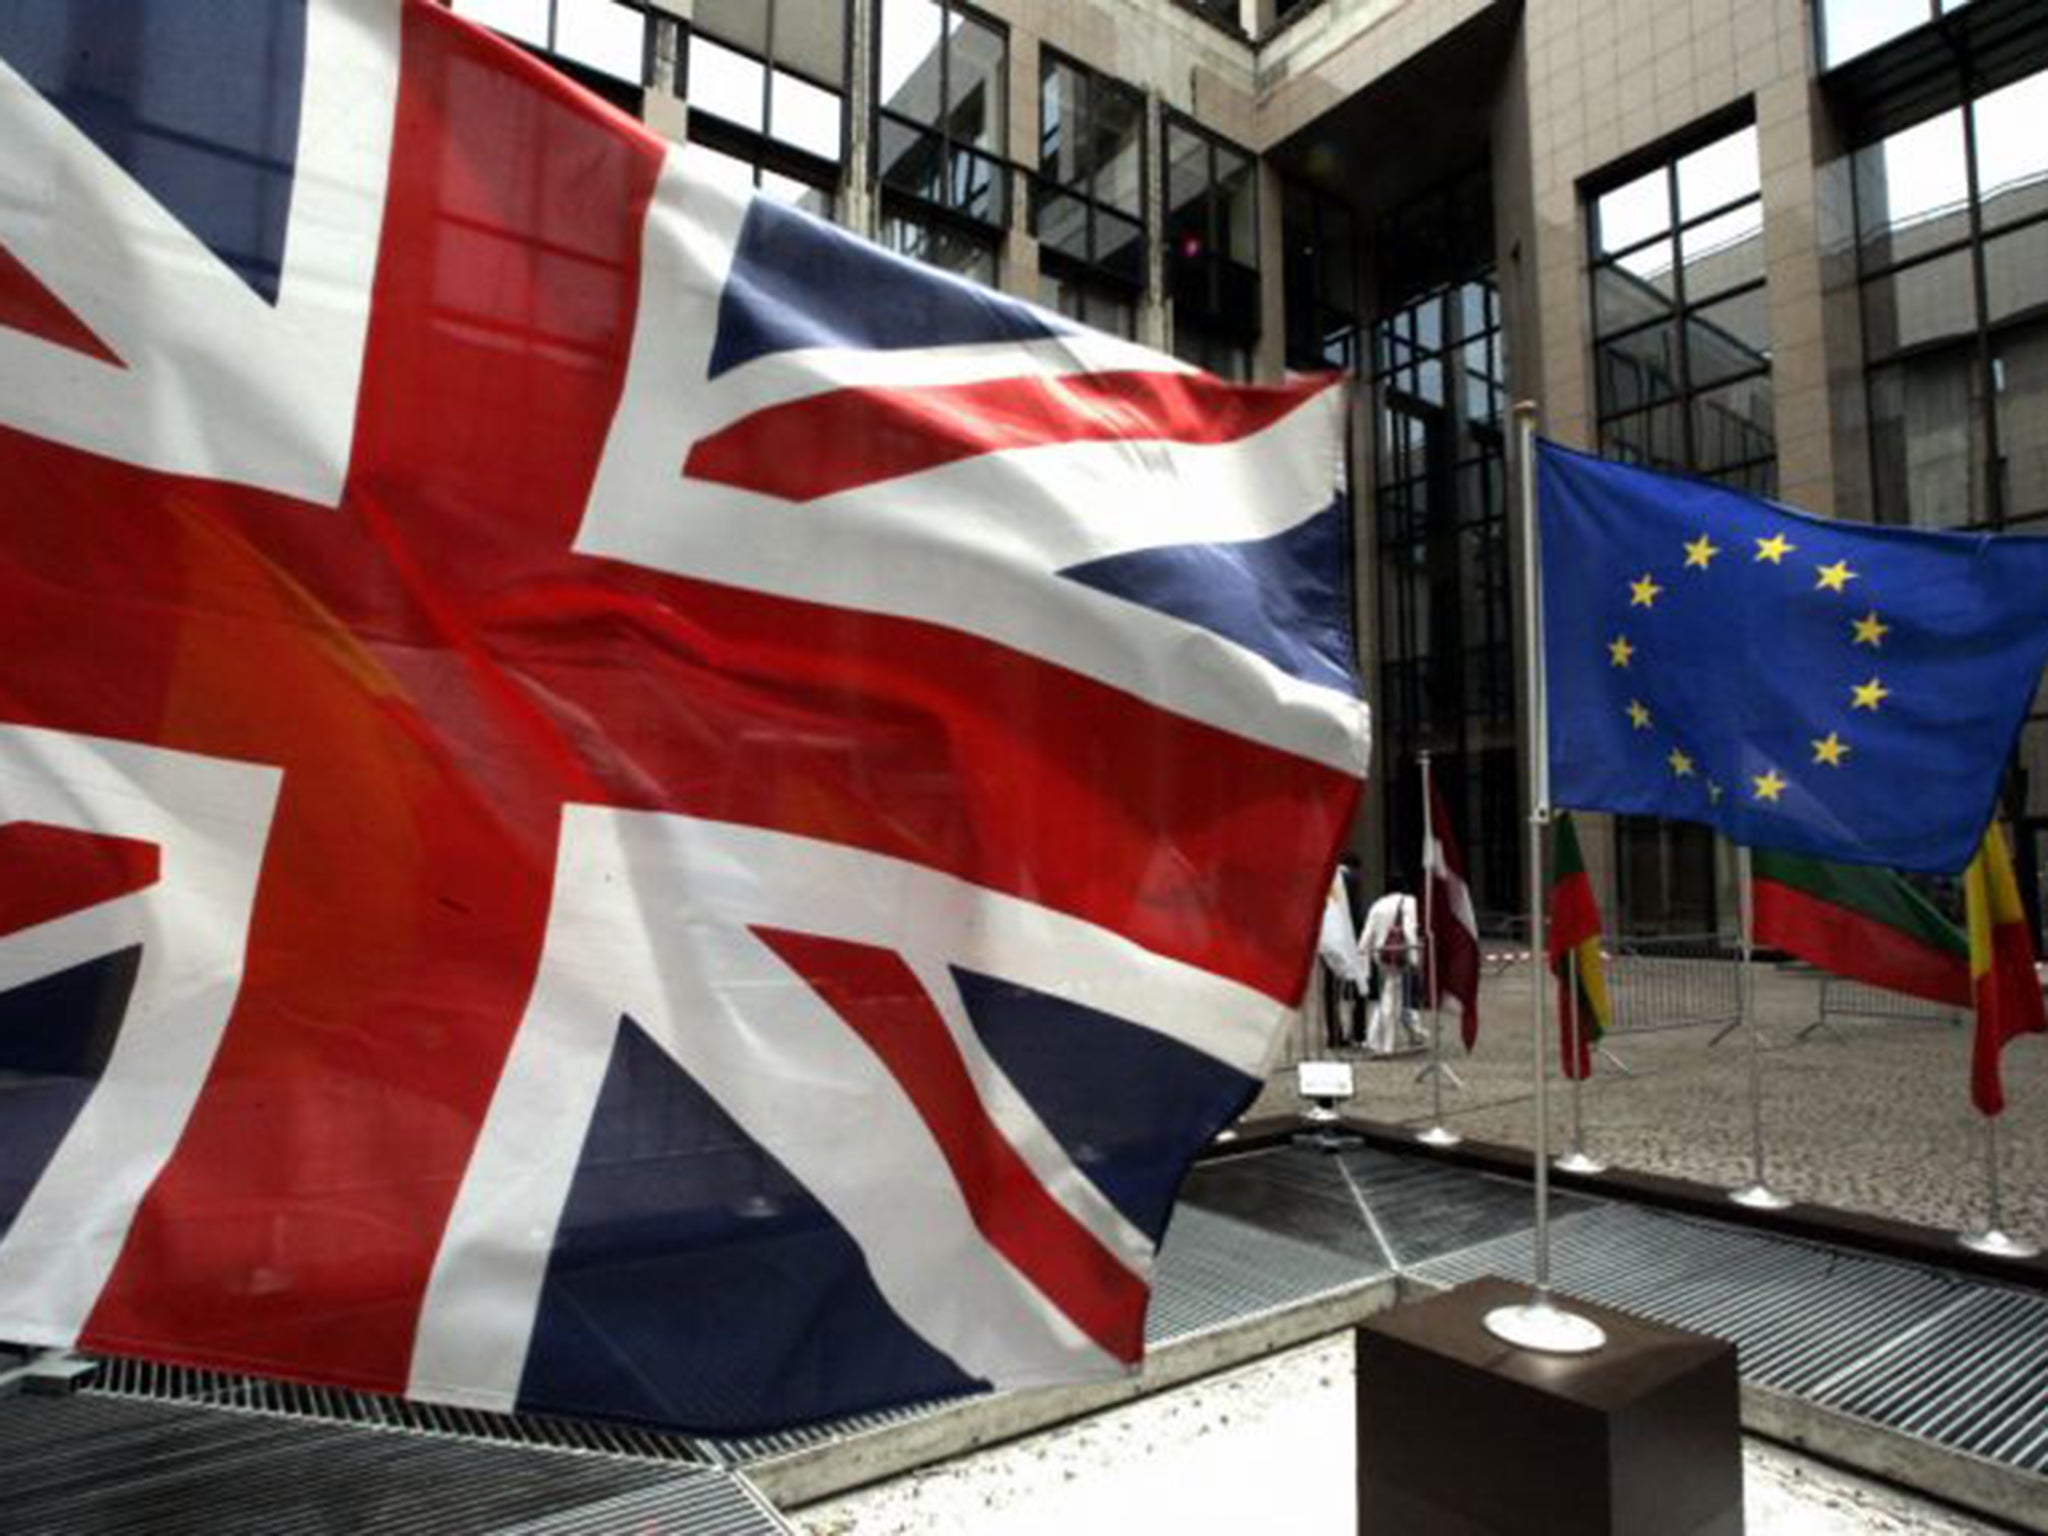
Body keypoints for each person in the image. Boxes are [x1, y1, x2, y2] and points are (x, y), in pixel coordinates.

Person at [1360, 875, 1424, 1056]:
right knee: (1391, 998)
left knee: (1388, 994)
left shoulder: (1377, 905)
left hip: (1380, 954)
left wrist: (1361, 954)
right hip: (1399, 952)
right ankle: (1384, 1043)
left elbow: (1367, 932)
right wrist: (1414, 957)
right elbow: (1410, 930)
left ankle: (1377, 1040)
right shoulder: (1409, 902)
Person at [1314, 855, 1367, 1051]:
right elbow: (1355, 912)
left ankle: (1335, 1034)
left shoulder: (1326, 877)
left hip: (1328, 939)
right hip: (1350, 939)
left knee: (1330, 990)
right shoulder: (1351, 879)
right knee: (1360, 986)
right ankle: (1358, 1032)